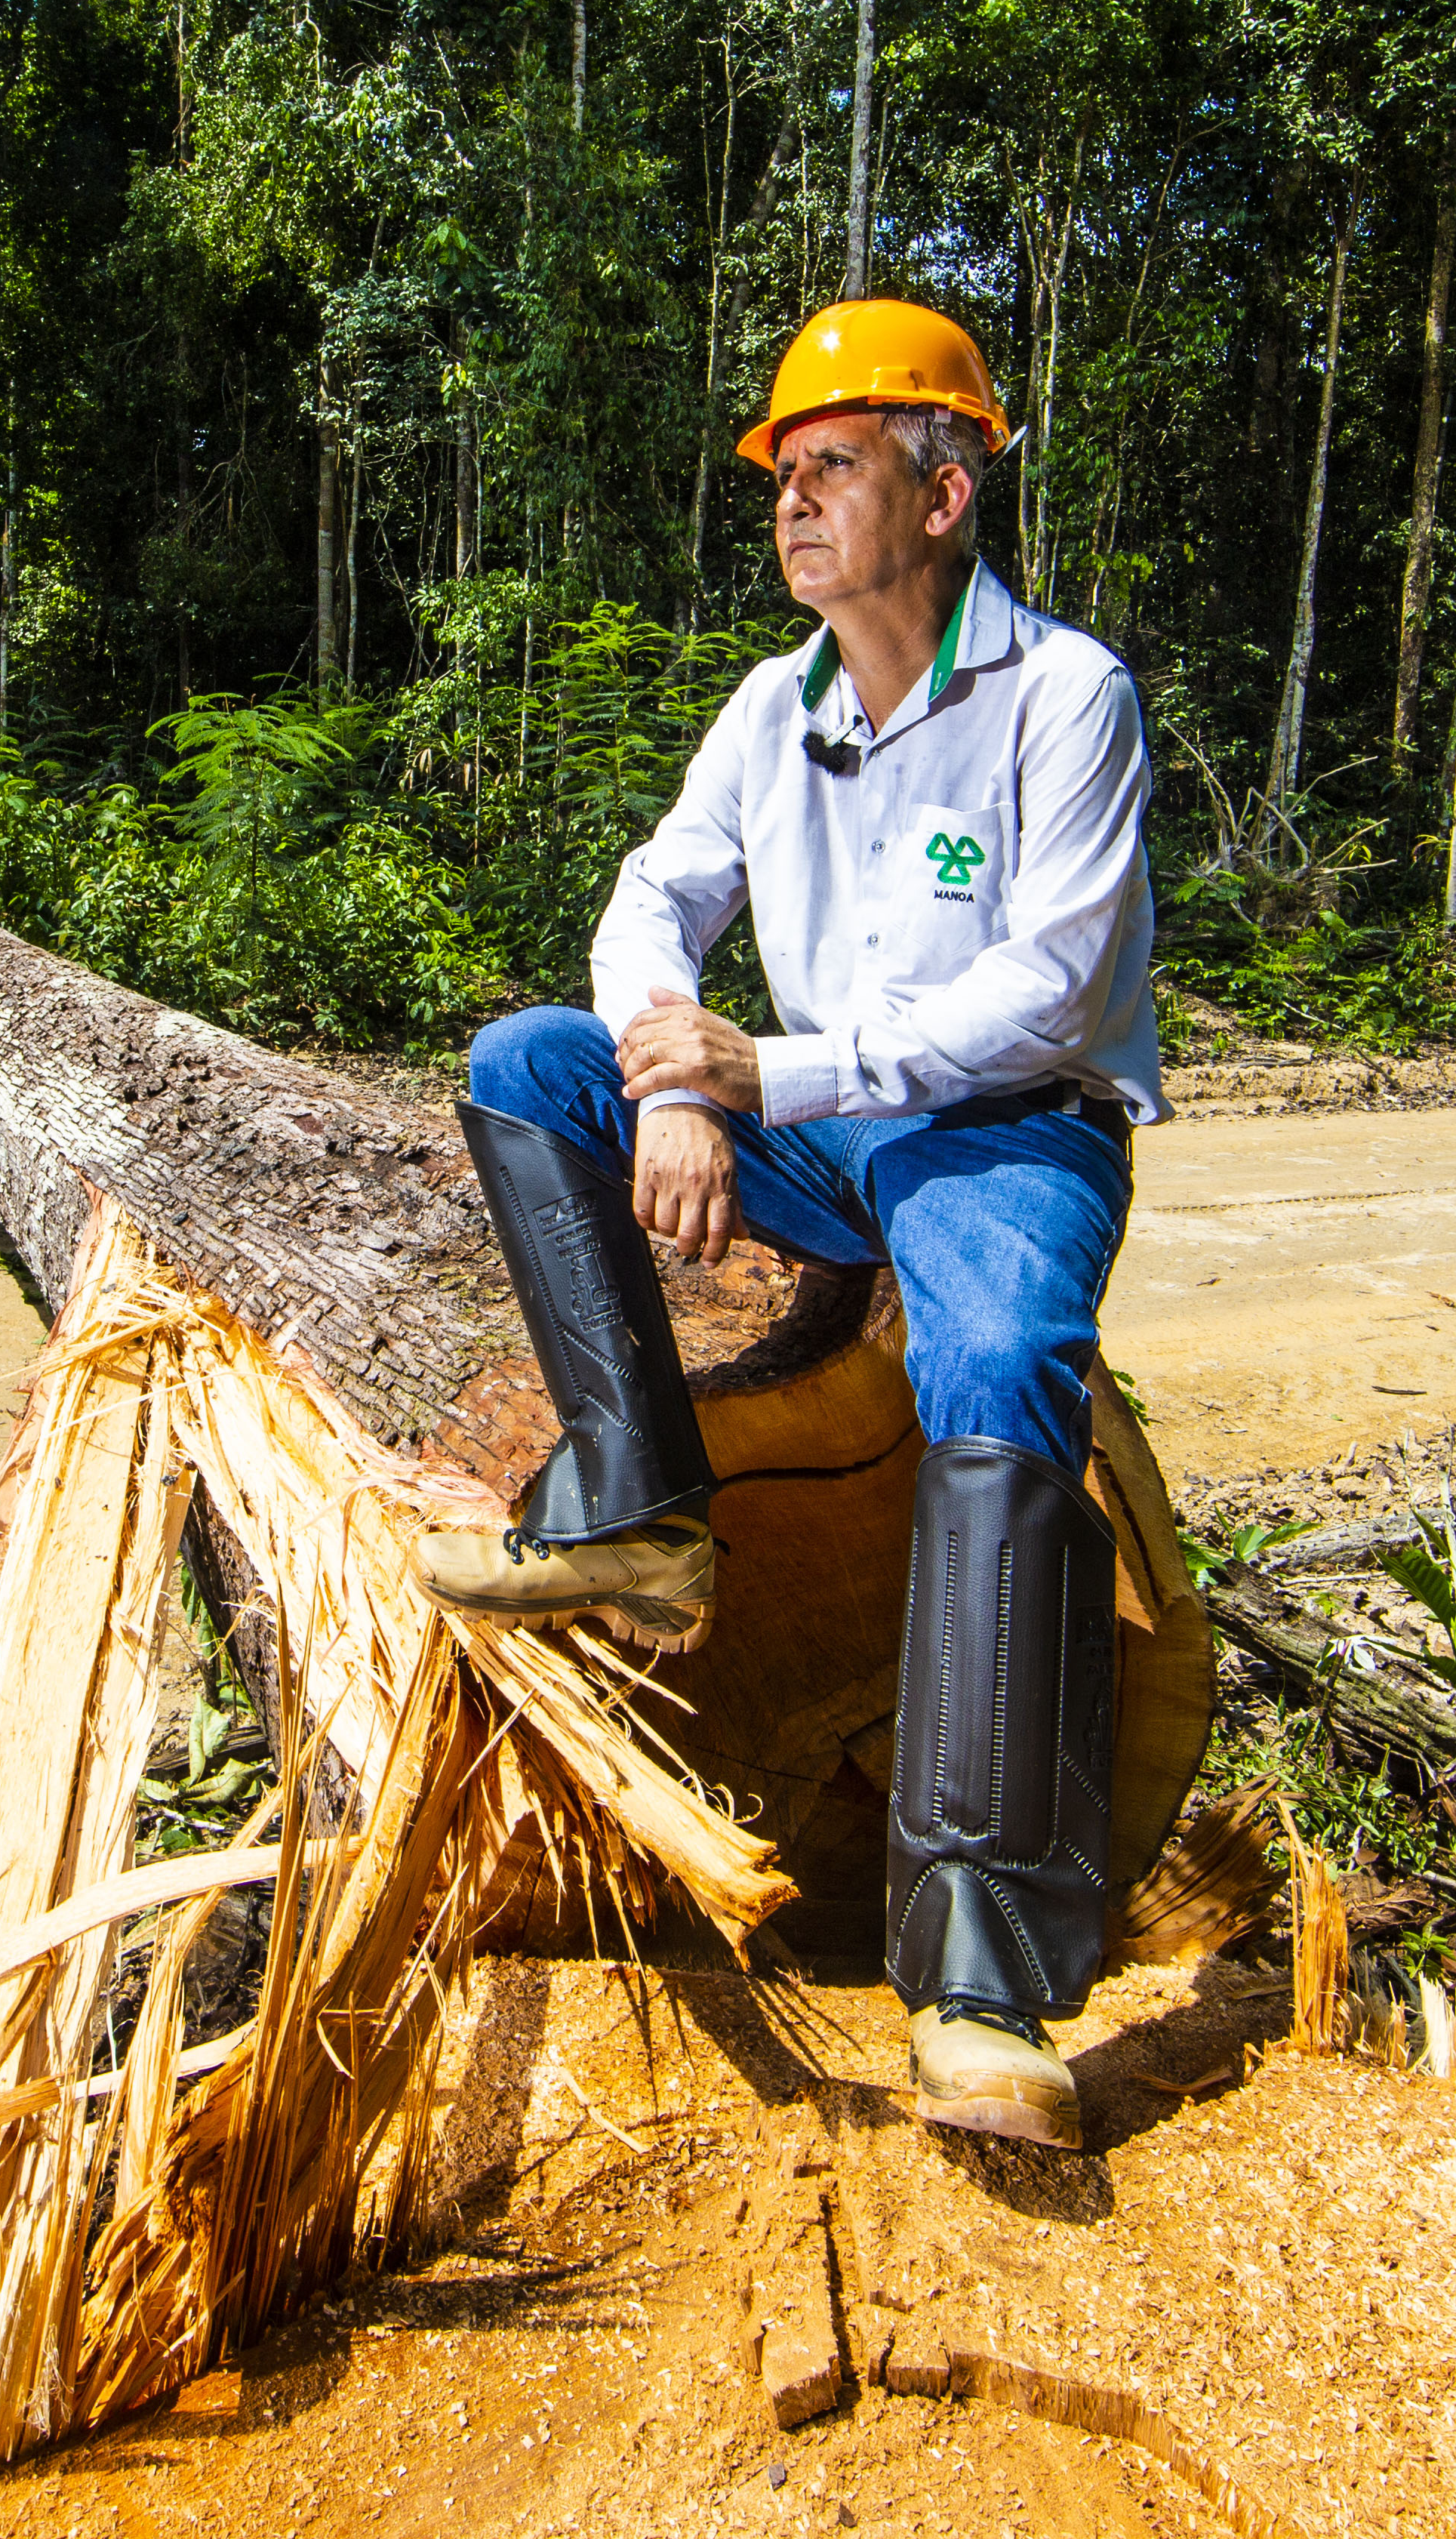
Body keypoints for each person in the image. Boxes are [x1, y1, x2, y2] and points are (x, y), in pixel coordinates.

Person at [417, 297, 1162, 2150]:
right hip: (818, 1119)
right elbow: (651, 903)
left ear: (945, 493)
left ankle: (982, 1978)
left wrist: (772, 1071)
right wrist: (675, 1084)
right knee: (532, 1065)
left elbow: (1051, 992)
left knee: (1002, 1363)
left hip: (1007, 1134)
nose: (792, 502)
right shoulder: (779, 705)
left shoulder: (1064, 697)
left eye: (832, 466)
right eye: (783, 474)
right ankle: (639, 1508)